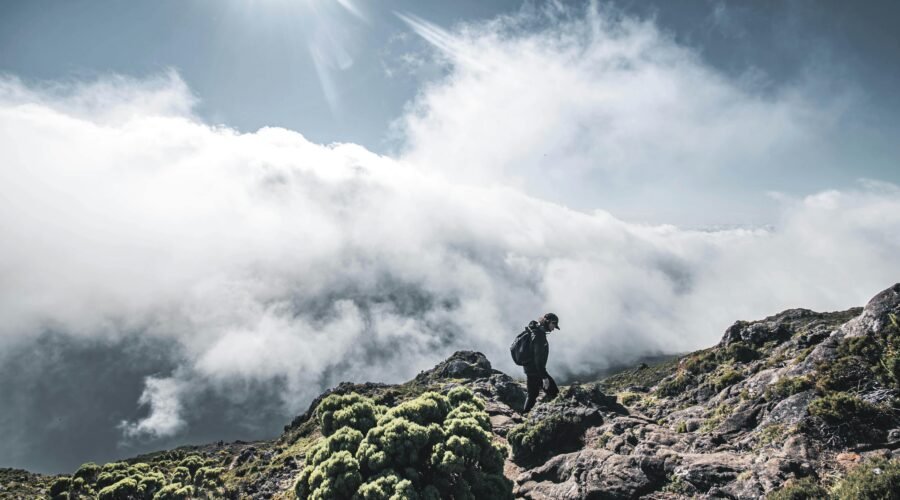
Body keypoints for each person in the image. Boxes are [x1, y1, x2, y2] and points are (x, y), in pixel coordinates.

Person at [522, 312, 560, 412]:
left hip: (529, 368)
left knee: (532, 395)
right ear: (548, 322)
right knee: (554, 392)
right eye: (553, 325)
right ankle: (547, 414)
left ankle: (524, 416)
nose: (553, 329)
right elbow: (538, 359)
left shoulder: (535, 330)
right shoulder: (539, 336)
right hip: (536, 371)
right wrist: (544, 377)